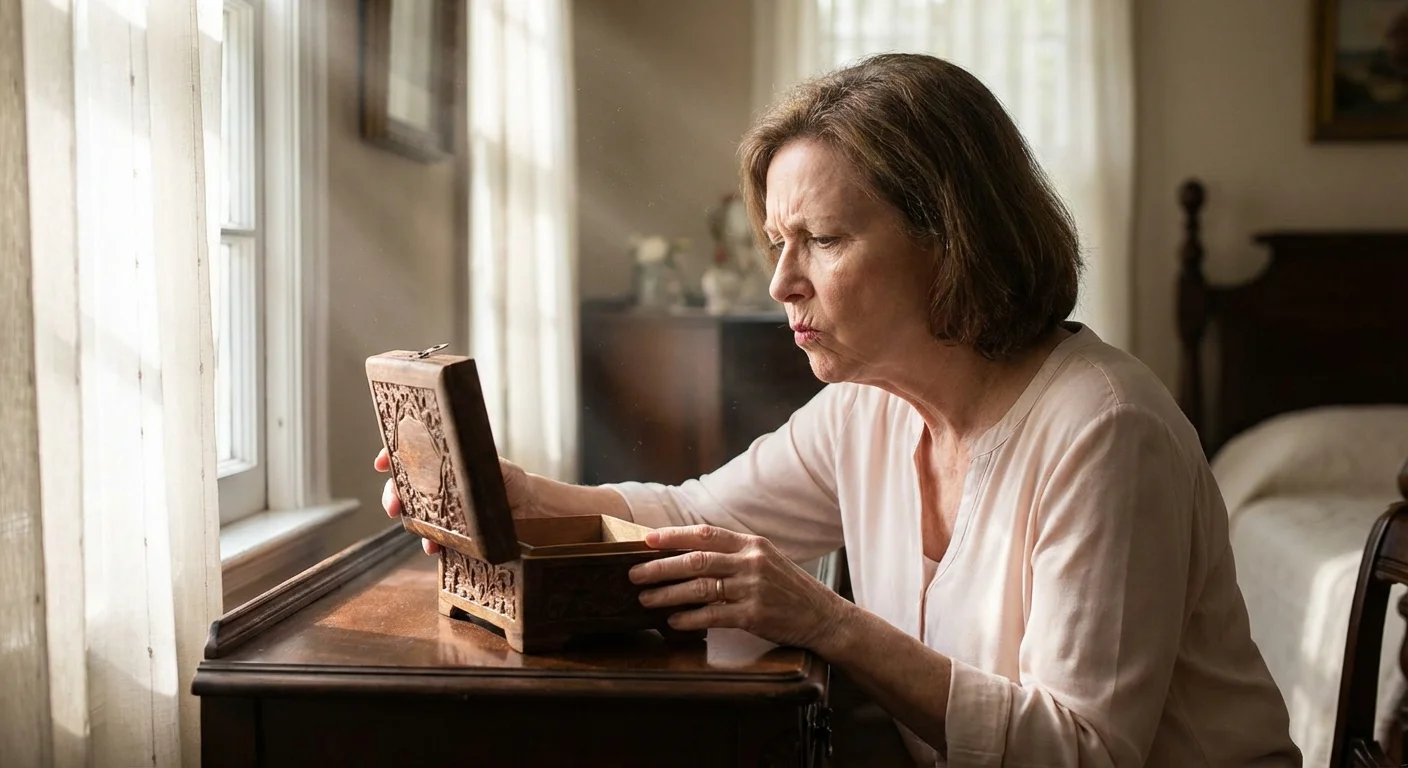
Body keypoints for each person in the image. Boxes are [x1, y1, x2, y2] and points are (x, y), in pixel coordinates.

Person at [376, 54, 1299, 766]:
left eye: (822, 238)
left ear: (953, 238)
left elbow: (1082, 752)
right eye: (779, 242)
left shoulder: (1104, 431)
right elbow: (696, 517)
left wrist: (828, 621)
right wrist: (520, 495)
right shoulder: (870, 407)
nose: (782, 282)